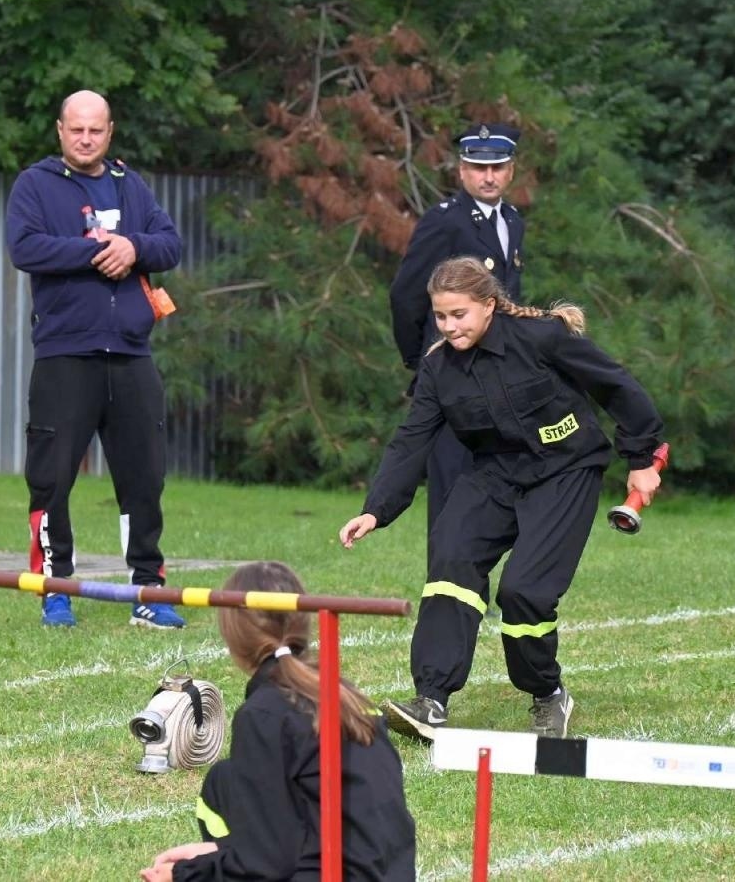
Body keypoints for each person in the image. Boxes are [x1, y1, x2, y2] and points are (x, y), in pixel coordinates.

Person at [342, 257, 663, 741]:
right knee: (450, 560)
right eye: (441, 316)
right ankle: (431, 699)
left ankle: (547, 693)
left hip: (566, 471)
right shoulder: (437, 369)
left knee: (524, 592)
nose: (449, 327)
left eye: (459, 315)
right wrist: (376, 508)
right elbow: (411, 441)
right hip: (493, 475)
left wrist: (640, 458)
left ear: (489, 305)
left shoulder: (541, 339)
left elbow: (616, 386)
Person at [6, 90, 186, 629]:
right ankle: (55, 588)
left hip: (132, 353)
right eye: (76, 129)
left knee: (144, 476)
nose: (86, 139)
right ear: (60, 130)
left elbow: (170, 244)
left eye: (96, 130)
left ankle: (148, 590)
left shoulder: (130, 185)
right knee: (52, 476)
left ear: (110, 132)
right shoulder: (34, 184)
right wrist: (96, 249)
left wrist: (132, 247)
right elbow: (26, 248)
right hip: (65, 353)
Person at [137, 561, 417, 882]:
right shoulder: (347, 696)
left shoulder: (262, 714)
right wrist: (216, 854)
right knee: (224, 780)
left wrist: (184, 875)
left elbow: (268, 864)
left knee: (224, 783)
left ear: (233, 637)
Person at [388, 123, 526, 537]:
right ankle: (447, 592)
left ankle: (477, 591)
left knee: (494, 488)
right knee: (451, 488)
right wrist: (421, 359)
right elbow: (405, 295)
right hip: (452, 372)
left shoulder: (513, 222)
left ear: (511, 170)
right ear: (461, 171)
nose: (488, 177)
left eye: (497, 167)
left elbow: (507, 302)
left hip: (497, 374)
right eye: (478, 167)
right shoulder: (445, 222)